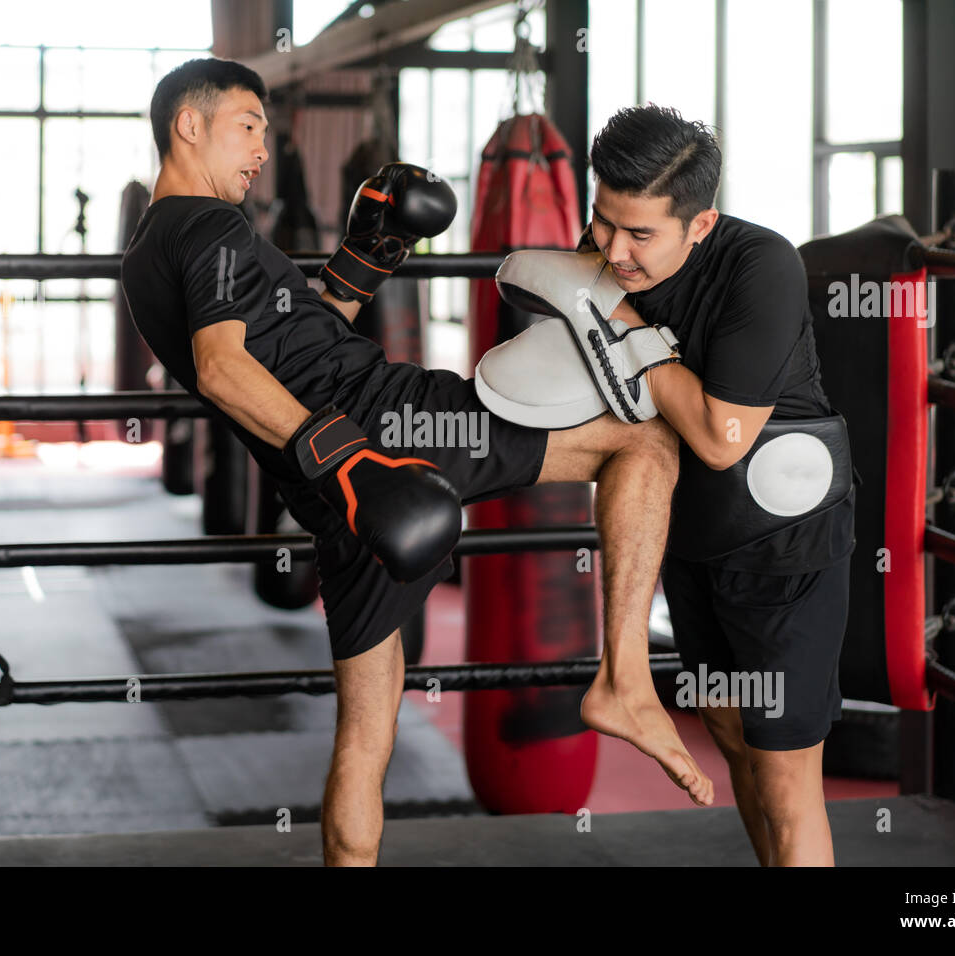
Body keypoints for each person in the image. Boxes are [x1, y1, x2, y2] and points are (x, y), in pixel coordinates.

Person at [120, 57, 715, 868]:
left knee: (367, 734)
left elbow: (298, 341)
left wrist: (371, 250)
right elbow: (225, 368)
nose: (262, 149)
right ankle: (625, 678)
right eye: (249, 126)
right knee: (643, 439)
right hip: (386, 433)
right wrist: (355, 460)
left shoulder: (157, 247)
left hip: (341, 495)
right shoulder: (207, 226)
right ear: (189, 125)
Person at [490, 105, 857, 867]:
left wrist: (626, 325)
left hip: (784, 548)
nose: (615, 250)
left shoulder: (761, 265)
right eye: (602, 223)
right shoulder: (606, 259)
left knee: (788, 778)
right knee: (733, 741)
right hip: (690, 539)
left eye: (640, 235)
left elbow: (722, 440)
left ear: (700, 224)